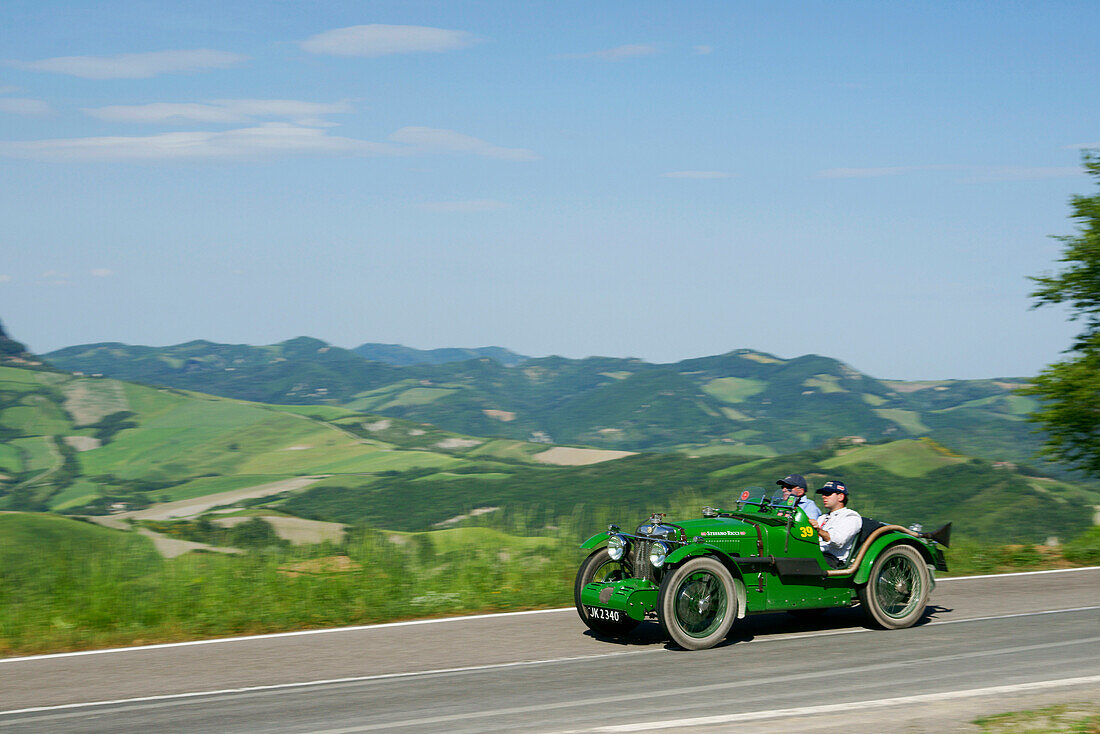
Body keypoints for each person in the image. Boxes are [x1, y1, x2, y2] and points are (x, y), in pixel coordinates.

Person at [808, 481, 861, 568]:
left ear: (840, 496)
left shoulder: (850, 516)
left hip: (833, 559)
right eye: (823, 494)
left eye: (828, 493)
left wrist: (818, 530)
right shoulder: (822, 517)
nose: (823, 496)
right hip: (818, 553)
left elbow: (838, 541)